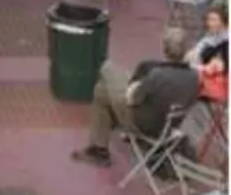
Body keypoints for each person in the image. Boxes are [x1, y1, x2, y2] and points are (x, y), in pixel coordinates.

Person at [71, 27, 202, 169]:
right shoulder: (195, 77)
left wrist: (134, 86)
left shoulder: (157, 75)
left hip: (140, 123)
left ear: (164, 49)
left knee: (107, 68)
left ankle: (100, 147)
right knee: (101, 91)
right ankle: (99, 148)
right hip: (167, 127)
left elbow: (132, 99)